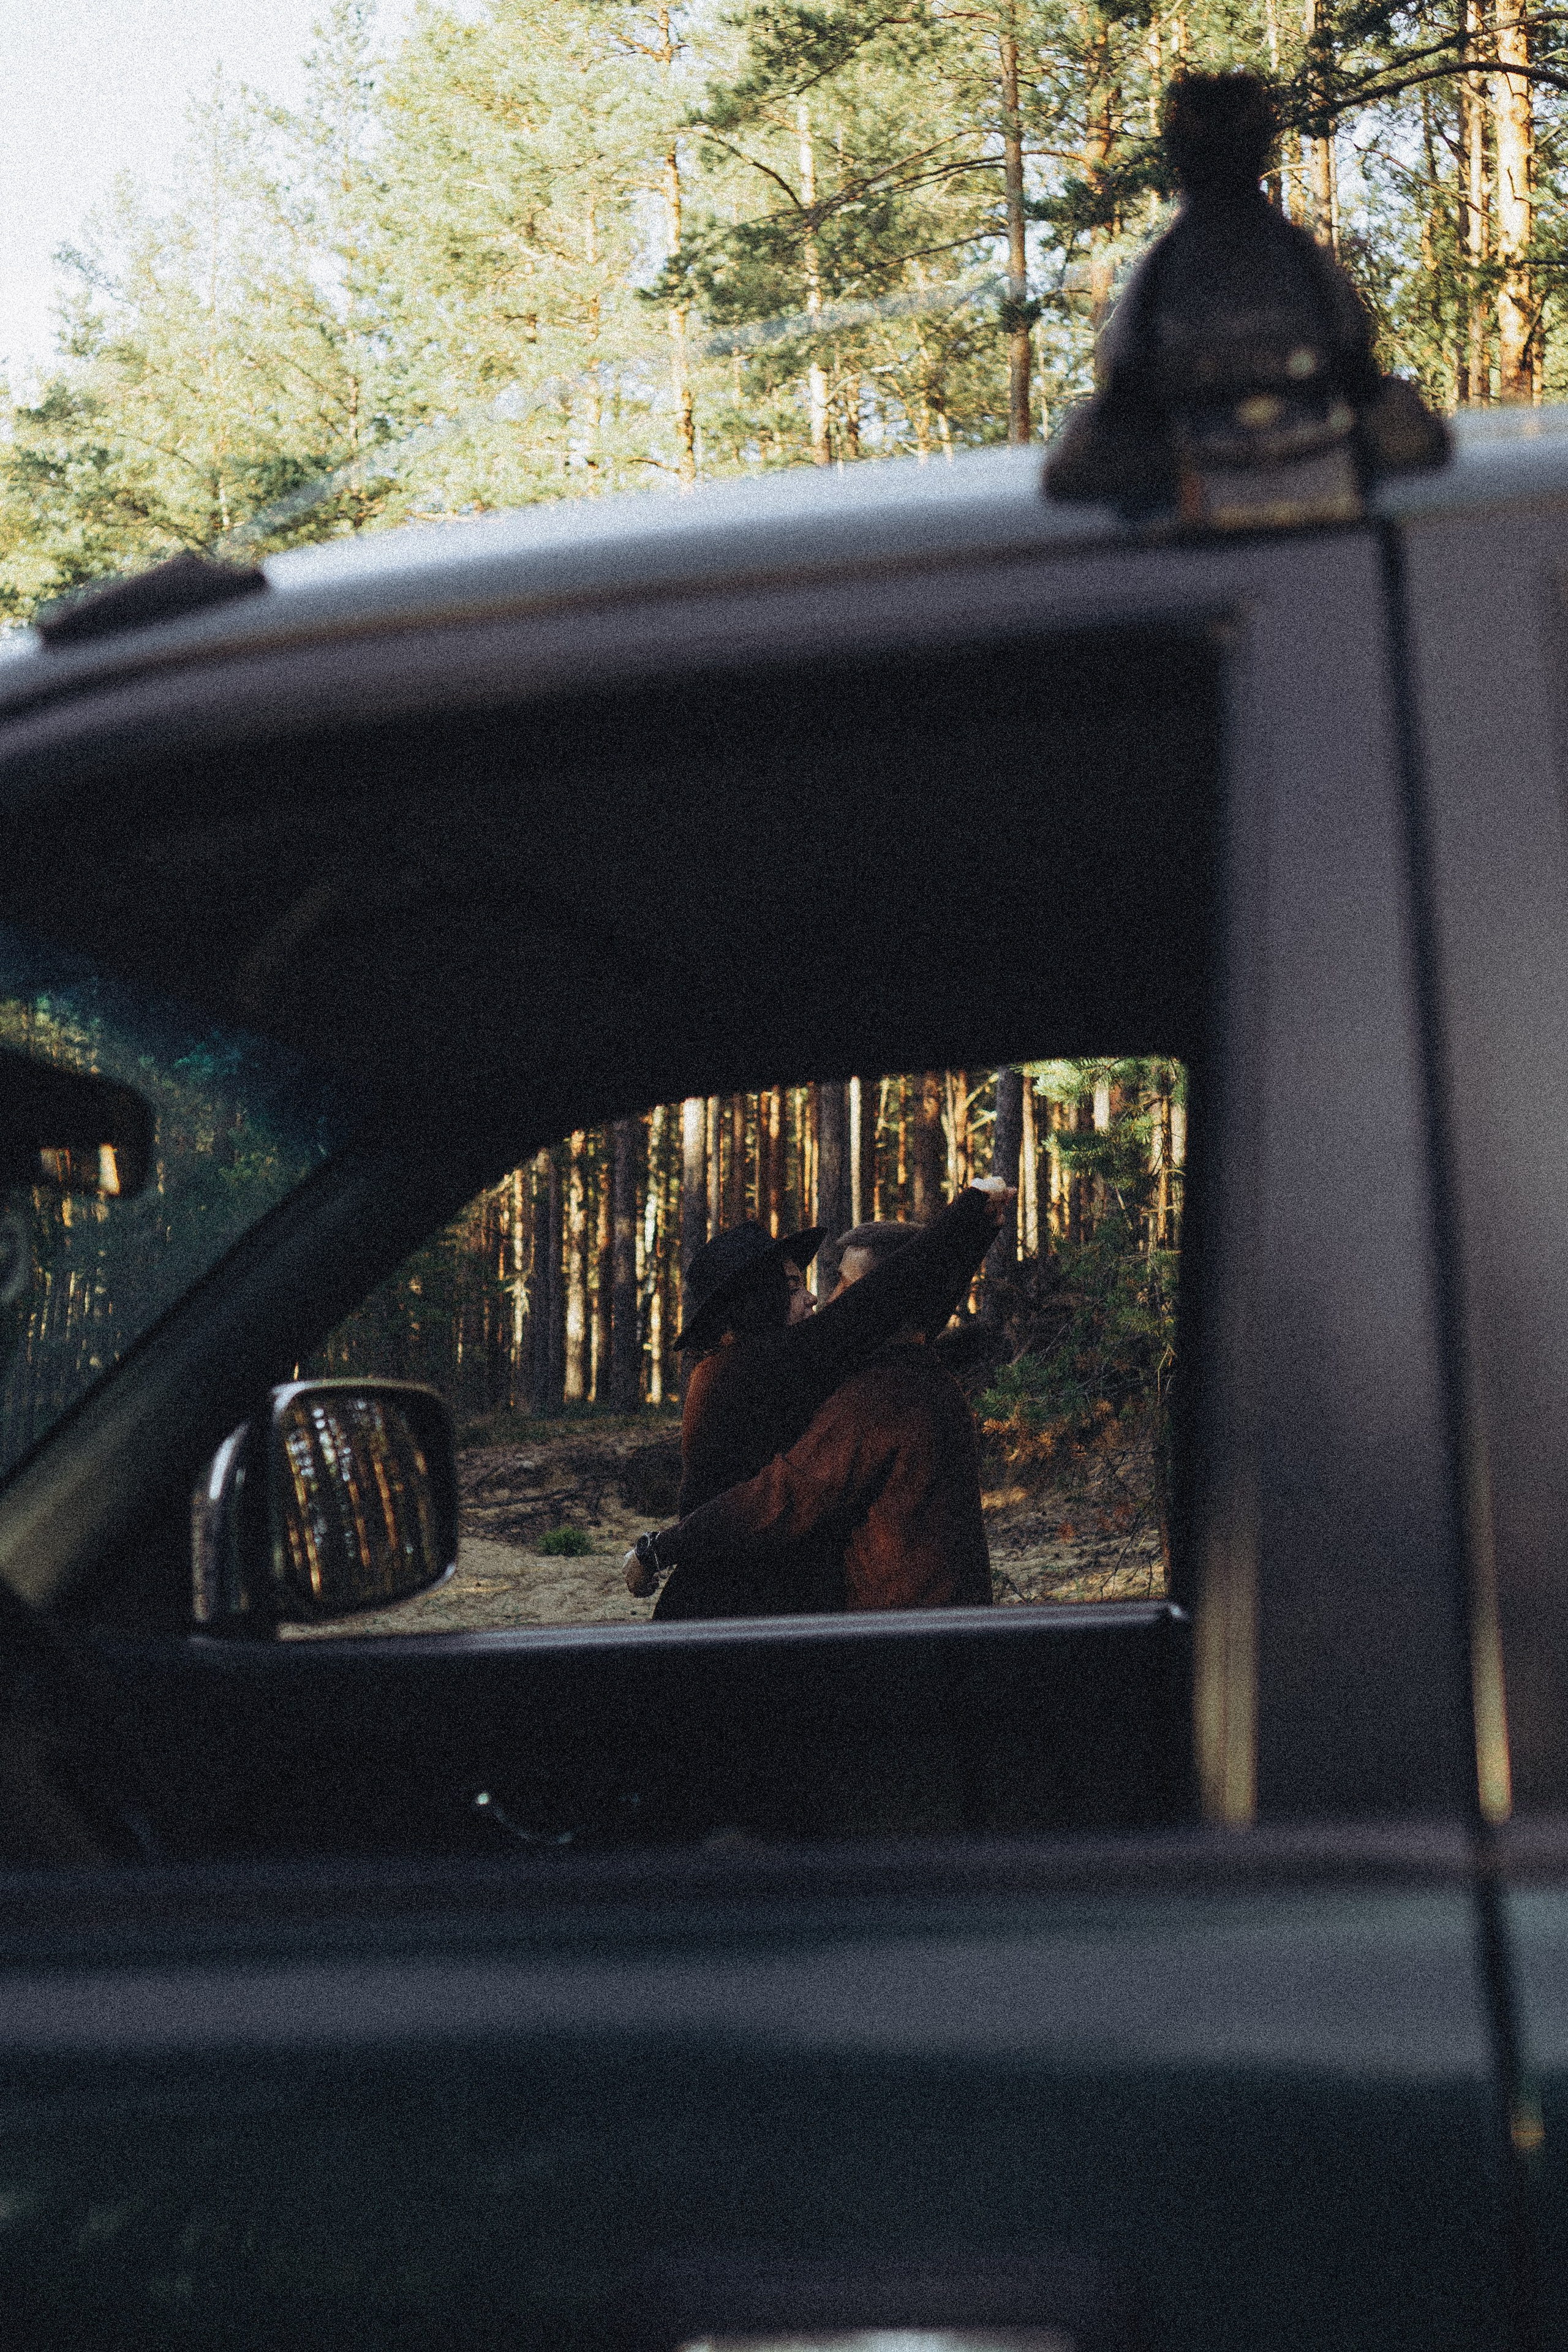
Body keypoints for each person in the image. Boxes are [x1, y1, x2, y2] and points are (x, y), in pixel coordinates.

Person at [643, 1178, 1009, 1619]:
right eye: (792, 1287)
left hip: (779, 1609)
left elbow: (901, 1308)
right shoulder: (740, 1371)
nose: (817, 1297)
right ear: (756, 1302)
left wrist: (976, 1231)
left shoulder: (873, 1377)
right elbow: (874, 1305)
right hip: (733, 1611)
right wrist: (970, 1213)